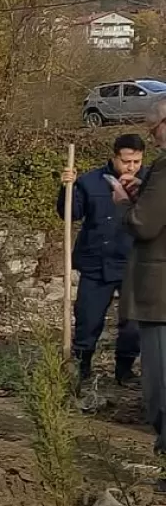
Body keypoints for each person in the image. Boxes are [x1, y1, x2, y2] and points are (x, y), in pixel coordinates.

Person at [59, 133, 143, 385]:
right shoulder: (90, 182)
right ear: (114, 156)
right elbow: (70, 214)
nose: (131, 167)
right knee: (88, 318)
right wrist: (66, 188)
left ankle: (125, 370)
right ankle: (81, 369)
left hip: (133, 262)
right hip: (96, 261)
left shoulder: (149, 182)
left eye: (136, 162)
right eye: (126, 161)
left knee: (133, 323)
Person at [115, 99, 166, 454]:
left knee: (160, 385)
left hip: (160, 293)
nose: (155, 137)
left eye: (156, 128)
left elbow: (145, 225)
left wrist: (124, 204)